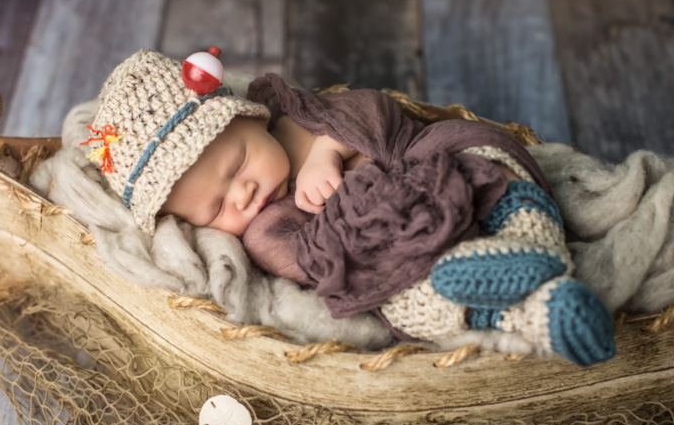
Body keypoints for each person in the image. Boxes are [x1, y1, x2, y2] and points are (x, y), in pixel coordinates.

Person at [84, 48, 616, 366]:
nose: (242, 195)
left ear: (249, 117)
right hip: (410, 255)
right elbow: (320, 270)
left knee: (487, 162)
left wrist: (327, 149)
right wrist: (340, 237)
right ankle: (537, 312)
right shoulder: (265, 228)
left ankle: (536, 255)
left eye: (239, 165)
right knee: (396, 298)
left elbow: (376, 108)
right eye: (219, 207)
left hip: (442, 171)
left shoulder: (300, 120)